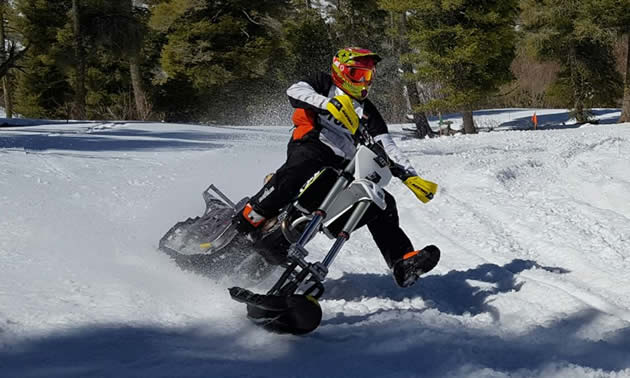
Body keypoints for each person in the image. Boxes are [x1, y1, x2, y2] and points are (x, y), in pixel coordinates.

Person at [233, 47, 438, 288]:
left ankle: (402, 262)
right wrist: (328, 104)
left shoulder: (368, 111)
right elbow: (295, 91)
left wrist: (410, 176)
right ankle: (252, 216)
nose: (363, 81)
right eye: (358, 74)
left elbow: (387, 144)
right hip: (312, 143)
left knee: (382, 201)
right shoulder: (323, 83)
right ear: (341, 72)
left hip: (344, 166)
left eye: (368, 76)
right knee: (303, 165)